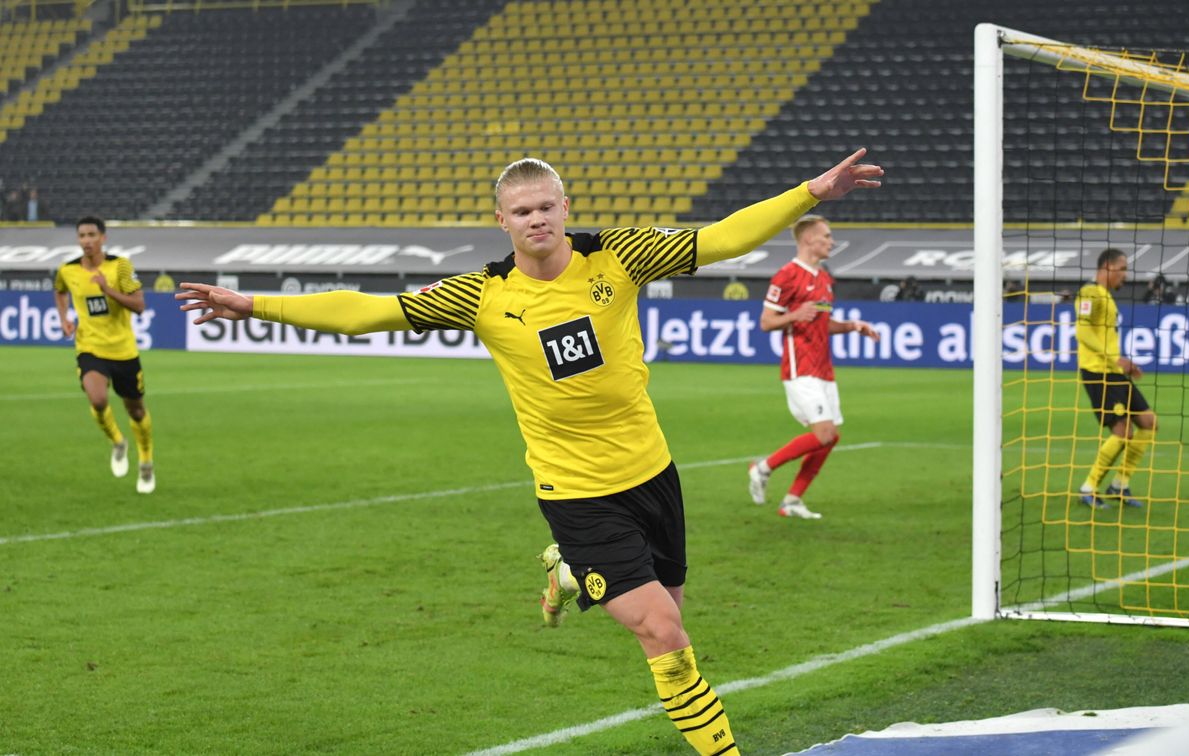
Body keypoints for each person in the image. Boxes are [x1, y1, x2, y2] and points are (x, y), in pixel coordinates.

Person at [177, 149, 883, 755]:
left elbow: (724, 238)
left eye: (546, 205)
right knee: (663, 633)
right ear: (503, 221)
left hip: (653, 475)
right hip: (575, 493)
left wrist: (812, 193)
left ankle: (570, 574)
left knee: (674, 609)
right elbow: (370, 311)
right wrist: (255, 304)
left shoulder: (620, 255)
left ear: (564, 205)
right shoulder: (484, 296)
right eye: (521, 211)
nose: (537, 219)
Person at [747, 215, 879, 519]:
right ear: (809, 240)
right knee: (823, 433)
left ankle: (792, 501)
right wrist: (794, 316)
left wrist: (852, 326)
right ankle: (762, 468)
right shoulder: (786, 276)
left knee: (831, 436)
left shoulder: (824, 278)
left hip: (824, 369)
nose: (831, 241)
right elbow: (767, 322)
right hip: (800, 368)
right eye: (827, 236)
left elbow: (822, 323)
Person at [54, 216, 156, 494]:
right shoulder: (67, 270)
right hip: (90, 348)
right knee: (97, 399)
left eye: (91, 235)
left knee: (135, 410)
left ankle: (145, 460)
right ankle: (117, 441)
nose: (86, 240)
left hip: (123, 351)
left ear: (103, 238)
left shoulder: (120, 266)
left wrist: (107, 289)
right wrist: (64, 319)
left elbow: (139, 305)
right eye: (82, 235)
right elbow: (59, 290)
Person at [1075, 247, 1156, 508]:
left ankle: (1119, 485)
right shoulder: (1089, 293)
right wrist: (1115, 360)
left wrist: (1122, 363)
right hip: (1098, 372)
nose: (1125, 275)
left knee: (1148, 422)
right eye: (1122, 269)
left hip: (1113, 371)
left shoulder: (1106, 297)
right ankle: (1089, 487)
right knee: (1123, 433)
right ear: (1107, 268)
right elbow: (1083, 333)